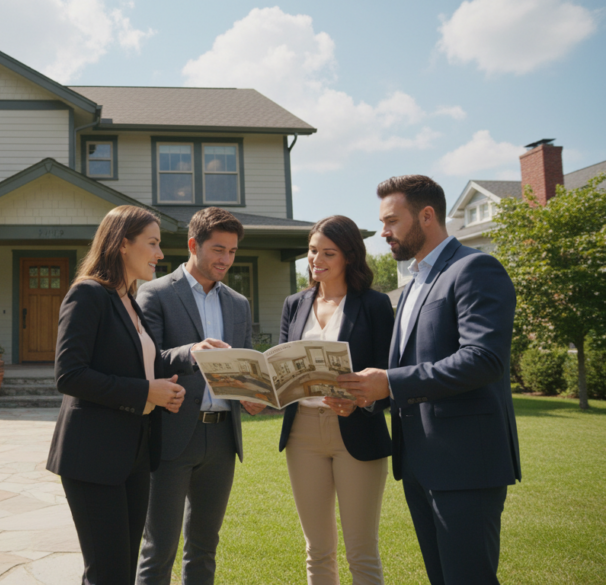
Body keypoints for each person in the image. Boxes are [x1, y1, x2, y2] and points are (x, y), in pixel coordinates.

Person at [339, 175, 521, 585]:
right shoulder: (413, 282)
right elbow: (410, 367)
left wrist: (389, 382)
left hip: (465, 464)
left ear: (426, 215)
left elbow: (484, 359)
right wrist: (367, 397)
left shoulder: (475, 268)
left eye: (391, 221)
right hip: (420, 463)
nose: (383, 232)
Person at [46, 205, 227, 585]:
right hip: (93, 457)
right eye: (153, 243)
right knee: (108, 573)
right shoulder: (87, 294)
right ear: (122, 244)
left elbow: (147, 360)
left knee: (123, 571)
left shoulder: (127, 299)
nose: (161, 254)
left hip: (134, 453)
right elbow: (70, 375)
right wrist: (148, 391)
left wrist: (190, 353)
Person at [135, 207, 266, 585]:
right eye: (218, 250)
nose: (226, 259)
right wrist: (191, 351)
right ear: (194, 245)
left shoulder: (239, 303)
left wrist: (253, 396)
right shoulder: (155, 293)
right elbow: (148, 360)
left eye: (232, 252)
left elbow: (242, 367)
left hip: (222, 440)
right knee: (159, 548)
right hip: (172, 435)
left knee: (205, 546)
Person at [276, 215, 395, 585]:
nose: (316, 260)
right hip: (302, 435)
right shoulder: (294, 304)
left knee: (361, 550)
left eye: (328, 252)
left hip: (357, 431)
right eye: (313, 251)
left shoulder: (374, 305)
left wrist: (362, 402)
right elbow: (282, 371)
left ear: (349, 257)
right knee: (317, 549)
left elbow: (391, 378)